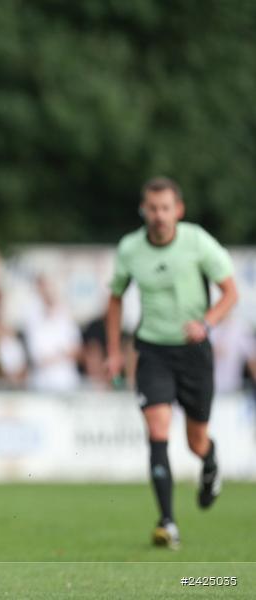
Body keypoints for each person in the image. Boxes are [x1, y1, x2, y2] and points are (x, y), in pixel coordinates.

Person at [105, 177, 237, 550]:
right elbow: (114, 298)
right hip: (152, 351)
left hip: (193, 351)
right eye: (153, 208)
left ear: (178, 210)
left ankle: (210, 463)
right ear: (143, 211)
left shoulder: (196, 242)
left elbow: (231, 292)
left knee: (196, 442)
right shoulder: (130, 249)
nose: (159, 216)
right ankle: (167, 522)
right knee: (158, 427)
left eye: (166, 208)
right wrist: (115, 351)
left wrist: (207, 323)